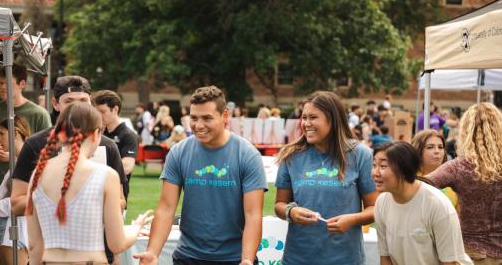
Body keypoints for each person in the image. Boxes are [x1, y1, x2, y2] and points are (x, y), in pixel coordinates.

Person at [134, 86, 267, 265]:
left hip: (234, 259)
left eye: (207, 118)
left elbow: (253, 215)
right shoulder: (179, 152)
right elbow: (166, 208)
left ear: (225, 116)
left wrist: (247, 259)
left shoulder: (247, 155)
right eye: (194, 118)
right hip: (188, 257)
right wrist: (152, 252)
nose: (198, 125)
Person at [10, 76, 128, 264]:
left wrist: (92, 200)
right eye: (69, 101)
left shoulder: (107, 146)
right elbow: (16, 203)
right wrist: (58, 199)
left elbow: (121, 200)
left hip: (98, 251)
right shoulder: (35, 144)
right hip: (51, 252)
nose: (76, 108)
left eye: (83, 101)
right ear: (56, 104)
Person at [25, 102, 154, 264]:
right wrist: (137, 227)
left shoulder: (38, 174)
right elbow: (117, 244)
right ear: (96, 134)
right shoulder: (105, 176)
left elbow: (34, 247)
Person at [274, 91, 378, 265]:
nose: (306, 123)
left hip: (345, 259)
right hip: (297, 258)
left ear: (333, 119)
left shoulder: (360, 155)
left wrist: (351, 220)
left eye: (313, 117)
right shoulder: (291, 155)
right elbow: (279, 205)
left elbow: (374, 208)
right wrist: (291, 212)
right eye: (304, 117)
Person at [372, 141, 472, 265]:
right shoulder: (382, 203)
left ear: (403, 169)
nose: (375, 173)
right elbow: (386, 258)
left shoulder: (437, 205)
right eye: (374, 165)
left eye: (383, 166)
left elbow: (449, 262)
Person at [426, 103, 502, 264]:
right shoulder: (458, 166)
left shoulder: (459, 166)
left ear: (466, 131)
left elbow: (421, 186)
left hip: (471, 253)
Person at [0, 65, 52, 189]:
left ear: (22, 84)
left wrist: (15, 158)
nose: (3, 87)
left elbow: (47, 153)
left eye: (8, 83)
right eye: (0, 83)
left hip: (25, 185)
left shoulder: (39, 114)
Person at [0, 116, 31, 265]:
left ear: (15, 134)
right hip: (10, 234)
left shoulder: (27, 162)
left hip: (16, 235)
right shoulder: (18, 162)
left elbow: (23, 200)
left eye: (1, 133)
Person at [92, 90, 139, 183]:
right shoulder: (97, 133)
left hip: (118, 190)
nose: (99, 115)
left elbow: (127, 167)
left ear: (115, 109)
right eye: (96, 112)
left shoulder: (128, 135)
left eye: (102, 111)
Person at [411, 130, 458, 208]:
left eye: (440, 147)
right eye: (430, 147)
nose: (437, 151)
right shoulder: (408, 181)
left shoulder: (453, 179)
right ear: (418, 150)